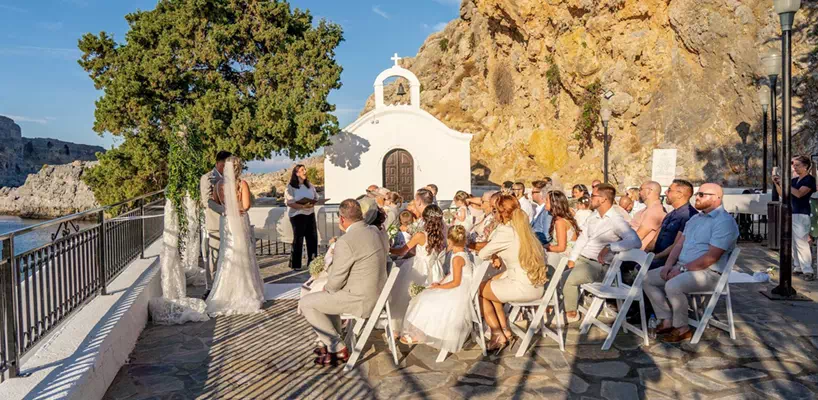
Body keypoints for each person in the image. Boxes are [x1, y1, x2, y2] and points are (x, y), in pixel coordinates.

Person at [643, 183, 739, 343]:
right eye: (697, 194)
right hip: (684, 268)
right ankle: (666, 319)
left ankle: (682, 329)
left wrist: (680, 269)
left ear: (717, 198)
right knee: (645, 279)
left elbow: (711, 258)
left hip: (709, 273)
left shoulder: (724, 222)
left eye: (702, 194)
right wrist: (668, 265)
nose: (697, 197)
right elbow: (679, 244)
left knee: (673, 285)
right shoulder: (695, 219)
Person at [299, 199, 388, 366]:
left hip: (360, 299)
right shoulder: (374, 231)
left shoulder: (346, 241)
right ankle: (332, 342)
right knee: (326, 296)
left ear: (341, 219)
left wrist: (327, 284)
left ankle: (337, 348)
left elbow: (336, 280)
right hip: (376, 294)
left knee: (307, 302)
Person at [478, 195, 548, 354]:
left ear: (502, 213)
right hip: (536, 286)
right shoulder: (525, 230)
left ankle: (497, 333)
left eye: (496, 211)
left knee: (479, 290)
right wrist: (496, 255)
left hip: (521, 287)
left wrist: (494, 255)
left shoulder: (506, 231)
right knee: (491, 285)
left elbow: (482, 254)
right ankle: (505, 330)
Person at [563, 184, 641, 323]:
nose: (590, 198)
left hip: (599, 265)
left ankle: (571, 314)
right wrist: (572, 259)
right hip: (583, 259)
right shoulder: (593, 216)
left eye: (593, 196)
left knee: (569, 279)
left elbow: (635, 241)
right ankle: (555, 308)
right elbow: (582, 239)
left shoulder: (616, 220)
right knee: (554, 271)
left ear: (604, 199)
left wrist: (611, 246)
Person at [205, 156, 265, 316]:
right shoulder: (242, 184)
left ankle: (225, 293)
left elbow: (214, 202)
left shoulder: (218, 185)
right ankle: (245, 293)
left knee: (227, 255)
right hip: (239, 220)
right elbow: (246, 206)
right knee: (243, 255)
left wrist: (227, 209)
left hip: (226, 222)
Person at [401, 226, 474, 354]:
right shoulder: (460, 253)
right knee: (426, 293)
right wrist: (440, 282)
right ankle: (419, 332)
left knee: (426, 299)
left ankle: (421, 334)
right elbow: (452, 274)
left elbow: (456, 282)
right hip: (455, 285)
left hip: (459, 291)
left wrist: (439, 287)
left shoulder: (457, 258)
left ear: (450, 241)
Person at [389, 205, 448, 332]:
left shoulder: (421, 235)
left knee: (408, 298)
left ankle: (404, 328)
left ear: (425, 219)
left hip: (419, 268)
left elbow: (401, 252)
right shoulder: (442, 235)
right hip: (436, 269)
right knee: (431, 301)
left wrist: (387, 248)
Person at [774, 155, 816, 281]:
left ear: (805, 167)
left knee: (801, 241)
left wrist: (784, 182)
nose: (795, 168)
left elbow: (799, 194)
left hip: (801, 213)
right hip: (791, 212)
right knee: (792, 242)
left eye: (797, 165)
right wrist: (778, 184)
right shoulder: (794, 180)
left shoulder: (809, 180)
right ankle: (798, 266)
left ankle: (808, 270)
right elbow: (783, 194)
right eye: (794, 165)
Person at [199, 150, 231, 295]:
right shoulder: (207, 178)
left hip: (230, 223)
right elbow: (207, 202)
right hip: (215, 221)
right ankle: (210, 287)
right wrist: (225, 210)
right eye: (226, 164)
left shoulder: (230, 178)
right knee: (214, 255)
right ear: (220, 163)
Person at [649, 180, 698, 269]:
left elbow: (677, 245)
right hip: (656, 256)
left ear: (680, 194)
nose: (665, 192)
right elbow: (655, 239)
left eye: (669, 190)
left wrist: (654, 257)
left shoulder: (688, 216)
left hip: (669, 261)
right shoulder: (670, 214)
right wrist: (646, 253)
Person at [285, 164, 319, 270]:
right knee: (298, 239)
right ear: (297, 173)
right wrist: (302, 206)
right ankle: (295, 264)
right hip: (297, 215)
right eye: (302, 170)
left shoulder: (309, 185)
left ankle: (313, 263)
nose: (305, 171)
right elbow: (289, 202)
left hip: (310, 214)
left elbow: (316, 197)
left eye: (305, 169)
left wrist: (313, 203)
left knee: (312, 239)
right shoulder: (290, 187)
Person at [544, 190, 581, 267]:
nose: (544, 202)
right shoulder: (562, 218)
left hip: (564, 257)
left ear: (554, 203)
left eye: (547, 200)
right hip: (566, 253)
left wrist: (544, 248)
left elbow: (561, 248)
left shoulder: (560, 222)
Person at [630, 181, 667, 251]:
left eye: (641, 189)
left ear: (649, 191)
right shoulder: (646, 210)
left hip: (637, 256)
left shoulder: (655, 210)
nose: (639, 192)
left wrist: (616, 246)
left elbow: (638, 237)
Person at [530, 180, 553, 246]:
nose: (531, 195)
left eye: (533, 192)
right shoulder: (538, 209)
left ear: (540, 193)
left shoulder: (547, 211)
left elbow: (546, 236)